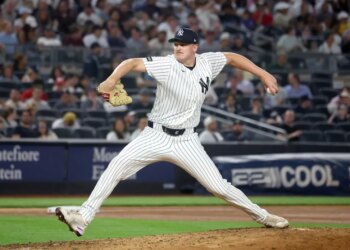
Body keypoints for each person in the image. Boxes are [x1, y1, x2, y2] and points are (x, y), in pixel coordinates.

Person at [55, 27, 288, 236]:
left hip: (187, 140)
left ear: (194, 47)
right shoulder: (167, 64)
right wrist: (111, 79)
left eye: (182, 44)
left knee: (218, 187)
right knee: (116, 166)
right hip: (155, 135)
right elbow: (132, 62)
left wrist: (263, 74)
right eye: (175, 44)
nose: (177, 47)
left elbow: (231, 57)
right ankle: (83, 217)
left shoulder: (207, 62)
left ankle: (263, 216)